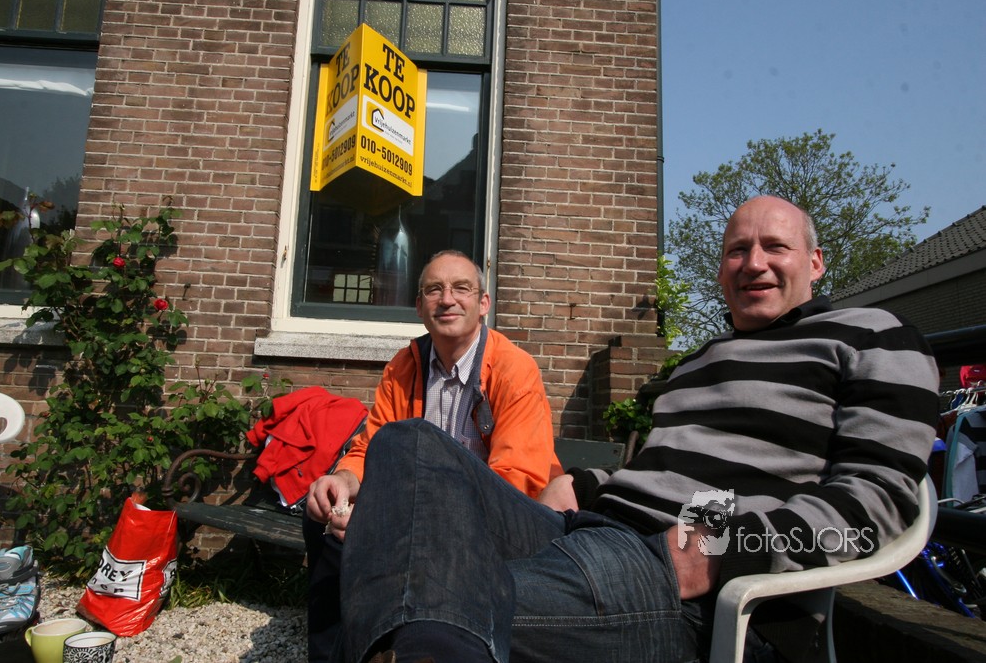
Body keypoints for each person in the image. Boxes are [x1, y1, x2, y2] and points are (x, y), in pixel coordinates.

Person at [335, 196, 940, 663]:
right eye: (737, 250)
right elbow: (660, 472)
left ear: (815, 262)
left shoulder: (870, 335)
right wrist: (583, 483)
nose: (754, 262)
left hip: (680, 586)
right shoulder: (697, 364)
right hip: (587, 532)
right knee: (407, 444)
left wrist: (722, 551)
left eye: (774, 247)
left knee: (428, 592)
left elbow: (879, 505)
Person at [303, 250, 561, 662]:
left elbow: (517, 480)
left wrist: (415, 520)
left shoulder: (514, 370)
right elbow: (370, 447)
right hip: (418, 515)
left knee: (408, 460)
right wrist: (345, 481)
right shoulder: (403, 366)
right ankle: (345, 651)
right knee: (325, 517)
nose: (447, 299)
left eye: (461, 288)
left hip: (501, 518)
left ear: (483, 303)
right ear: (420, 306)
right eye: (434, 290)